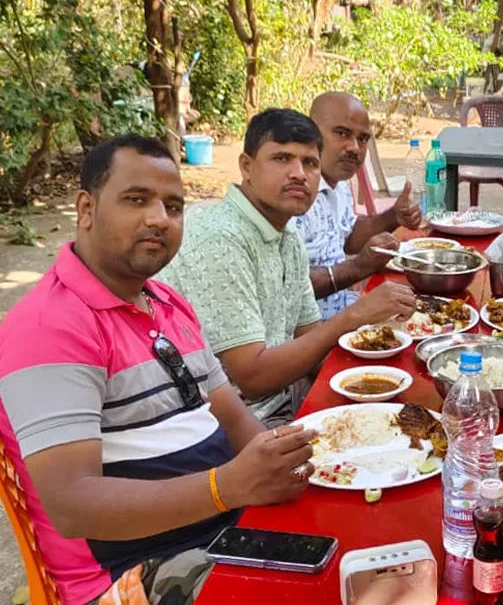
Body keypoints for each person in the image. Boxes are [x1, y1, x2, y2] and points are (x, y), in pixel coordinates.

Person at [0, 135, 317, 605]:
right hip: (132, 575)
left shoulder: (167, 304)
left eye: (174, 206)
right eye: (136, 200)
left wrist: (288, 466)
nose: (159, 219)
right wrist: (225, 486)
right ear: (86, 209)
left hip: (223, 527)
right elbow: (72, 506)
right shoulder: (49, 326)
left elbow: (234, 420)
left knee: (368, 548)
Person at [158, 109, 415, 426]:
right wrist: (355, 316)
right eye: (282, 159)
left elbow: (310, 339)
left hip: (283, 395)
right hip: (230, 426)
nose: (299, 173)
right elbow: (253, 378)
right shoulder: (221, 237)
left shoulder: (286, 235)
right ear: (247, 167)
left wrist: (380, 375)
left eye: (310, 163)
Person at [298, 91, 425, 320]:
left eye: (363, 139)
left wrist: (393, 217)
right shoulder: (294, 195)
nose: (355, 148)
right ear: (310, 133)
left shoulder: (339, 186)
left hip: (345, 314)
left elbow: (347, 238)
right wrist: (358, 267)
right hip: (311, 338)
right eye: (342, 133)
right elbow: (288, 286)